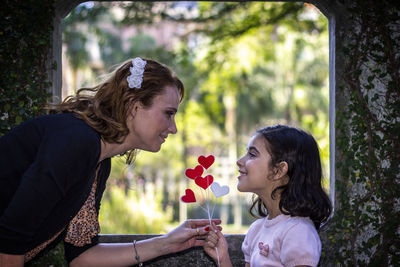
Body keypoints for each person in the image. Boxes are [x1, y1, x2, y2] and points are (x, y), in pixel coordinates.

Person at [0, 57, 221, 266]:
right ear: (134, 105)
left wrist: (165, 244)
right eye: (168, 113)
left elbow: (82, 256)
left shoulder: (98, 161)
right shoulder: (77, 142)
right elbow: (10, 240)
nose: (173, 128)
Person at [203, 125, 332, 267]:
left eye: (252, 154)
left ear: (279, 170)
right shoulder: (256, 230)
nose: (239, 161)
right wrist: (222, 259)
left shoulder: (297, 232)